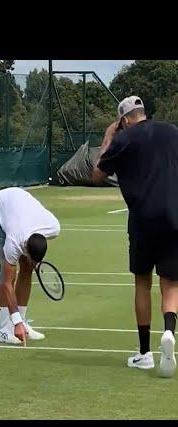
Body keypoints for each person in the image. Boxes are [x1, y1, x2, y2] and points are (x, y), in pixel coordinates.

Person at [93, 95, 178, 377]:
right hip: (173, 217)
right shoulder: (171, 132)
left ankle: (144, 354)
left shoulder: (123, 139)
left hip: (142, 219)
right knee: (171, 284)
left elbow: (96, 174)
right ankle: (168, 333)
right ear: (144, 112)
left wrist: (108, 137)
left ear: (124, 120)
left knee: (142, 282)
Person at [0, 187, 60, 345]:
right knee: (7, 272)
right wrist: (15, 322)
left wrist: (31, 260)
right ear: (26, 249)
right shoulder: (14, 241)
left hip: (21, 204)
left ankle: (24, 322)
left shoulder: (53, 227)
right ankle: (3, 330)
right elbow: (7, 283)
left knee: (27, 268)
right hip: (0, 208)